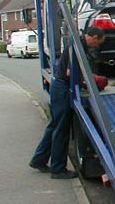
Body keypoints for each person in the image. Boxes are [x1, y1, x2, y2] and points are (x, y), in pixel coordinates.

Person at [29, 27, 106, 179]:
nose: (97, 46)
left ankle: (39, 159)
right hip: (62, 89)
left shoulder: (77, 43)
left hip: (59, 86)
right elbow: (70, 73)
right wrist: (88, 83)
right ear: (93, 37)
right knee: (61, 130)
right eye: (98, 42)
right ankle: (58, 170)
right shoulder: (77, 47)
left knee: (54, 126)